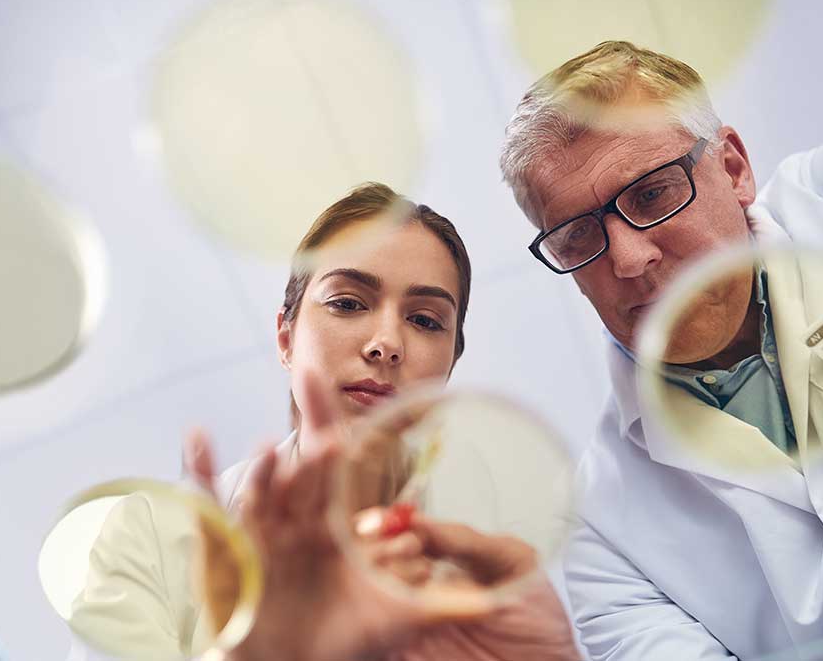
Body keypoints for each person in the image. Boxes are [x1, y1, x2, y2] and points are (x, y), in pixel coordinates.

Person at [499, 40, 823, 659]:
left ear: (733, 169)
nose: (629, 258)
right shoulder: (601, 531)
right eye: (579, 236)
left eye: (651, 195)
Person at [67, 183, 579, 661]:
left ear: (450, 364)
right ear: (285, 338)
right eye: (348, 303)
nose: (387, 344)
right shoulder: (149, 536)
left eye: (425, 320)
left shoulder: (502, 565)